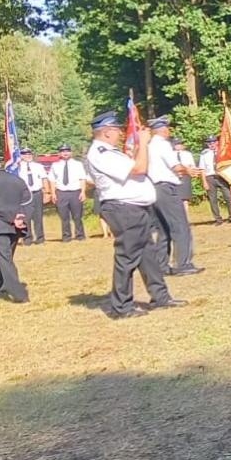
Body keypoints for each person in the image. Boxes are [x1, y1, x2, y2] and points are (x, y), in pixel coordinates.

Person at [85, 111, 183, 318]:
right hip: (123, 209)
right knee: (127, 257)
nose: (121, 133)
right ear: (107, 132)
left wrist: (139, 148)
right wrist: (145, 144)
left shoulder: (110, 152)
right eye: (117, 130)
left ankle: (160, 296)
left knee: (147, 255)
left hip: (133, 208)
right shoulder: (101, 153)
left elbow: (134, 166)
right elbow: (139, 169)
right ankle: (122, 307)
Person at [145, 117, 201, 275]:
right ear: (163, 130)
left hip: (155, 188)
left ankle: (161, 265)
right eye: (168, 128)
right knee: (180, 226)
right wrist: (188, 170)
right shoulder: (163, 145)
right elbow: (175, 166)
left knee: (164, 228)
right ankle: (183, 263)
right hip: (167, 188)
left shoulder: (149, 146)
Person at [0, 153, 31, 302]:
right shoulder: (17, 179)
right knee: (4, 260)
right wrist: (20, 217)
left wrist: (12, 217)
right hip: (15, 226)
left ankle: (20, 294)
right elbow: (27, 201)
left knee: (4, 261)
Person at [50, 144, 90, 241]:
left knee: (77, 216)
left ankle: (80, 235)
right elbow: (52, 180)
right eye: (63, 151)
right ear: (59, 153)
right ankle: (66, 236)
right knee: (64, 217)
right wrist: (53, 193)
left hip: (75, 192)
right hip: (61, 193)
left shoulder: (78, 164)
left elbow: (82, 178)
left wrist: (83, 192)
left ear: (71, 153)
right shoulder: (55, 165)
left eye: (67, 151)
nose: (65, 153)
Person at [13, 149, 48, 245]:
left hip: (37, 193)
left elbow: (44, 179)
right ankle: (27, 239)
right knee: (26, 218)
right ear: (21, 156)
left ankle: (40, 238)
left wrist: (47, 193)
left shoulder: (38, 166)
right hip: (24, 195)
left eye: (29, 154)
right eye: (25, 154)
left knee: (38, 217)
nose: (28, 156)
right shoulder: (17, 168)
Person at [198, 136, 231, 224]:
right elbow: (202, 169)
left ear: (217, 142)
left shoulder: (223, 152)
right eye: (209, 143)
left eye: (213, 142)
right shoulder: (204, 154)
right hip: (210, 177)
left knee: (228, 197)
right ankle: (218, 219)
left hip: (222, 176)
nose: (212, 144)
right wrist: (204, 182)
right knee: (213, 199)